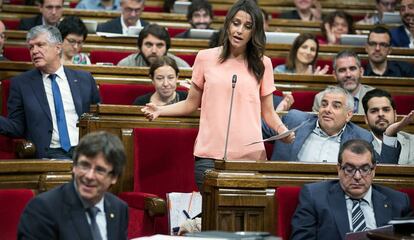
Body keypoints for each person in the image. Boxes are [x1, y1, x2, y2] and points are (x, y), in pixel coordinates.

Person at [142, 0, 295, 190]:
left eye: (247, 26)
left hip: (250, 157)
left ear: (254, 32)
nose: (239, 31)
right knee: (213, 218)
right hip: (210, 156)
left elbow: (269, 112)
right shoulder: (205, 57)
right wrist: (161, 110)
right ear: (228, 24)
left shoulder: (264, 64)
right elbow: (190, 104)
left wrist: (282, 131)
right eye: (236, 23)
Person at [0, 25, 100, 159]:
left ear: (58, 48)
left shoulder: (84, 79)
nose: (34, 51)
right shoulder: (21, 84)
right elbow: (17, 126)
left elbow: (99, 119)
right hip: (49, 153)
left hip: (84, 151)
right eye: (31, 47)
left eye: (40, 45)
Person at [290, 139, 412, 240]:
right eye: (349, 169)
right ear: (339, 169)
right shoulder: (314, 197)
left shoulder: (398, 201)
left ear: (373, 170)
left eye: (365, 169)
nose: (357, 177)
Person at [17, 131, 129, 240]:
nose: (89, 176)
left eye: (100, 170)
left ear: (114, 177)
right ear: (74, 167)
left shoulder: (118, 208)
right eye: (84, 165)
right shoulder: (43, 209)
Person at [263, 86, 400, 163]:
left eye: (336, 106)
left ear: (348, 115)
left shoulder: (361, 137)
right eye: (324, 104)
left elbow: (384, 169)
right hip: (287, 188)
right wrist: (275, 115)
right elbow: (256, 131)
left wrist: (389, 135)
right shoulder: (295, 119)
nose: (327, 109)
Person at [362, 88, 414, 164]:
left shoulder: (412, 141)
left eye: (386, 110)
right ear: (366, 118)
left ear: (395, 115)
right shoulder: (357, 143)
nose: (380, 114)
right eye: (374, 111)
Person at [312, 50, 373, 114]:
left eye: (352, 69)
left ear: (361, 72)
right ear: (335, 75)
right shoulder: (321, 99)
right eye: (342, 70)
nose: (348, 75)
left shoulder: (375, 97)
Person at [117, 23, 190, 68]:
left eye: (159, 45)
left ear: (167, 48)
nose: (154, 51)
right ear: (140, 46)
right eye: (149, 45)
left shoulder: (181, 66)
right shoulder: (125, 65)